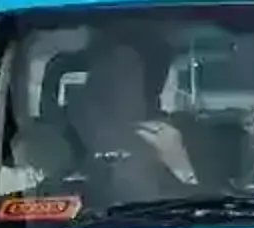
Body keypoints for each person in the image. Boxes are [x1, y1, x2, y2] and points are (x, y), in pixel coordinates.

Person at [67, 40, 197, 201]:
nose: (117, 88)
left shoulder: (166, 141)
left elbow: (200, 205)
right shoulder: (69, 149)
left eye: (128, 75)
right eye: (110, 78)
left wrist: (178, 164)